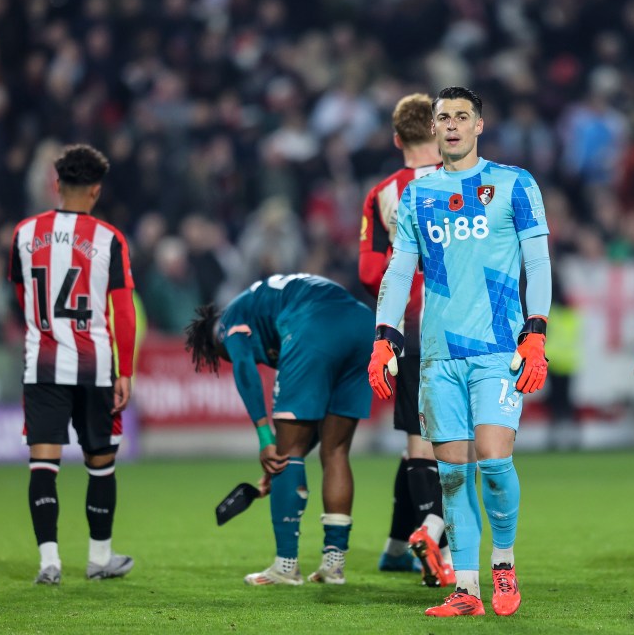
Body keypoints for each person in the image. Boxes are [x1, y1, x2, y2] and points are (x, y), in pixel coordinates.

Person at [368, 86, 551, 617]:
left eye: (460, 116)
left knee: (494, 461)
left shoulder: (514, 184)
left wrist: (535, 332)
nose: (450, 125)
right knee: (451, 474)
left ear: (479, 125)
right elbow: (400, 270)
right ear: (432, 128)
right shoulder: (417, 196)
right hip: (438, 355)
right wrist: (384, 338)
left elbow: (537, 263)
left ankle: (504, 563)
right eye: (442, 117)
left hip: (498, 349)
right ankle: (466, 589)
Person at [185, 273, 372, 586]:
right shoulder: (265, 310)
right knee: (336, 449)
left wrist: (268, 440)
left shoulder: (229, 321)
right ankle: (333, 566)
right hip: (363, 325)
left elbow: (245, 370)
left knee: (287, 453)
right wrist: (287, 454)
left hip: (313, 324)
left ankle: (286, 566)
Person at [7, 144, 137, 585]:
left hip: (42, 365)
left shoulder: (24, 233)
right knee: (100, 461)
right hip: (94, 366)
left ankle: (49, 563)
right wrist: (126, 371)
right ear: (96, 191)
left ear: (57, 185)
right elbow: (124, 311)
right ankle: (99, 559)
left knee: (43, 463)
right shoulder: (109, 239)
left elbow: (23, 298)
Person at [358, 92, 453, 586]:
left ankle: (404, 544)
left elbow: (370, 269)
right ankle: (435, 543)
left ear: (397, 139)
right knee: (458, 442)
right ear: (439, 133)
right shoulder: (465, 182)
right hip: (467, 327)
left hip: (410, 331)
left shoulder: (383, 194)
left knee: (417, 442)